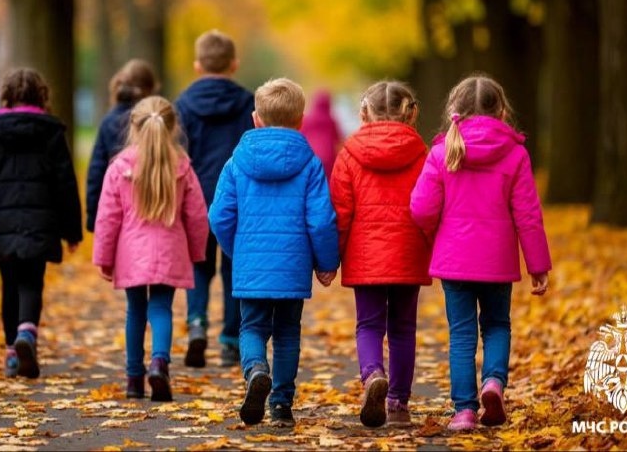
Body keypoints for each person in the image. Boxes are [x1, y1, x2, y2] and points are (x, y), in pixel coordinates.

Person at [409, 73, 551, 431]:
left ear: (454, 109)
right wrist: (537, 264)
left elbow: (422, 208)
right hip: (497, 262)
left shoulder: (442, 152)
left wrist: (434, 233)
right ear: (501, 110)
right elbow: (528, 214)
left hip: (454, 262)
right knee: (497, 326)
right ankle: (493, 382)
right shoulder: (515, 154)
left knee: (461, 334)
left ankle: (464, 411)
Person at [208, 78, 339, 427]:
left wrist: (236, 250)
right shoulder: (309, 164)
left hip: (251, 264)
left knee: (251, 328)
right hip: (293, 267)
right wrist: (326, 262)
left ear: (256, 119)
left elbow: (219, 214)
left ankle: (254, 370)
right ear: (300, 121)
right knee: (286, 333)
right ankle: (281, 404)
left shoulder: (236, 163)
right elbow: (322, 221)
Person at [0, 67, 82, 379]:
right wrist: (72, 231)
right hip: (41, 222)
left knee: (10, 285)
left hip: (3, 223)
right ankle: (27, 334)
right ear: (42, 96)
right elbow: (65, 184)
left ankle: (12, 353)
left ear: (7, 96)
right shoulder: (51, 132)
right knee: (32, 282)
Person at [92, 96, 209, 401]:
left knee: (135, 311)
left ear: (134, 126)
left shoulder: (120, 167)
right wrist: (197, 252)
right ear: (172, 127)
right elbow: (196, 215)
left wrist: (104, 258)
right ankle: (159, 362)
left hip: (132, 254)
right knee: (161, 308)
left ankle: (134, 379)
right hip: (170, 250)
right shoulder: (182, 165)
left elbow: (107, 217)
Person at [329, 81, 432, 428]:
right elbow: (432, 205)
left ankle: (373, 374)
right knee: (403, 327)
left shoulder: (349, 154)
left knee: (368, 324)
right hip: (408, 251)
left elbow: (340, 213)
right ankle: (398, 402)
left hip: (366, 255)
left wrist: (332, 258)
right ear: (411, 113)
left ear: (363, 113)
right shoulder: (422, 153)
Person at [175, 30, 254, 368]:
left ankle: (196, 324)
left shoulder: (182, 105)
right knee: (234, 267)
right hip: (238, 199)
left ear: (197, 65)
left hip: (196, 195)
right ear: (234, 64)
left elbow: (179, 153)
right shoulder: (249, 102)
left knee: (198, 263)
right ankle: (232, 341)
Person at [86, 59, 158, 233]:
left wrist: (93, 216)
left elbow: (96, 171)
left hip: (117, 206)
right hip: (154, 206)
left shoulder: (108, 122)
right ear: (150, 90)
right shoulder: (155, 121)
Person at [300, 89, 342, 179]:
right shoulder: (331, 121)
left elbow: (301, 136)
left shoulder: (306, 119)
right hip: (328, 156)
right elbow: (338, 139)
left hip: (310, 155)